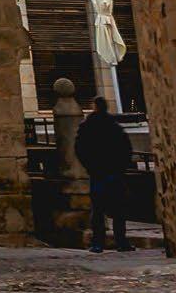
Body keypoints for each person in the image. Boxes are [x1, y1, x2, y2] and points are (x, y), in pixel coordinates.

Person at [75, 90, 137, 252]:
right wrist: (121, 167)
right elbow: (126, 149)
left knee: (98, 210)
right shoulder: (114, 127)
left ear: (94, 107)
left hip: (98, 172)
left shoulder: (87, 127)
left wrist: (90, 167)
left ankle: (98, 243)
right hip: (114, 172)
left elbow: (80, 149)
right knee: (118, 209)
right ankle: (121, 241)